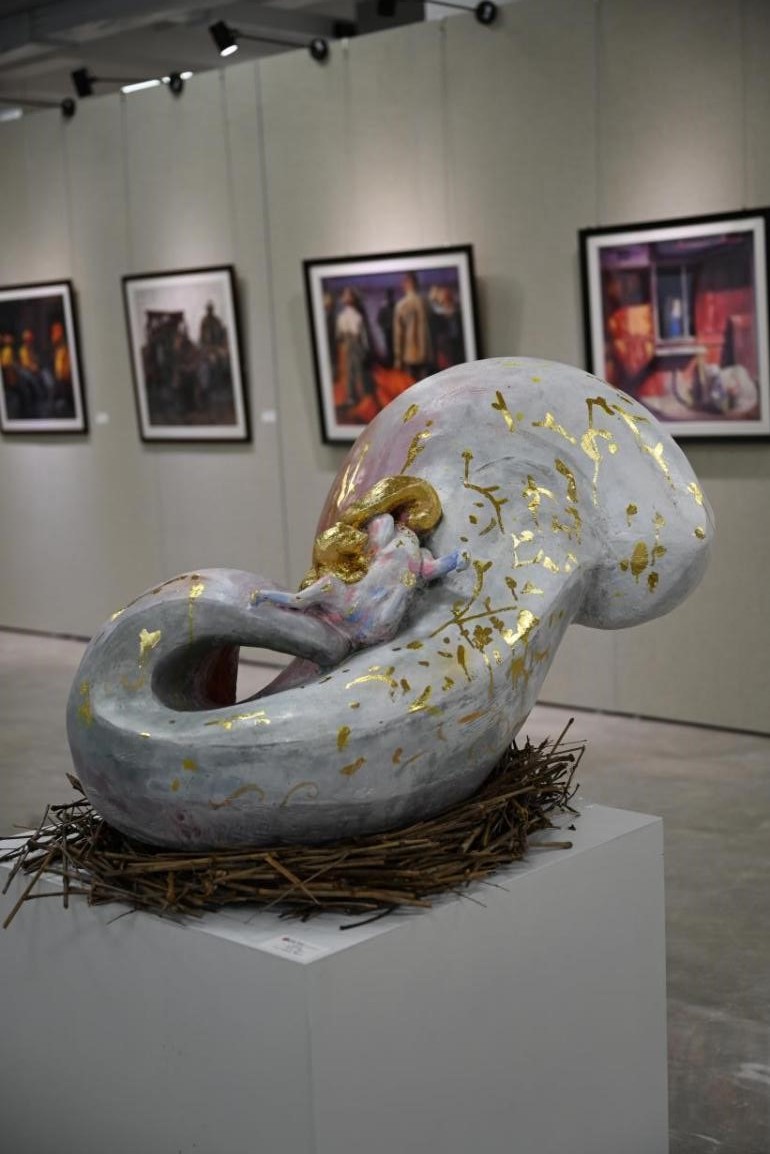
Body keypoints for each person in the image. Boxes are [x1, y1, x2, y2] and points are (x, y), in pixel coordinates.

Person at [393, 272, 433, 381]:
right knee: (426, 385)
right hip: (426, 353)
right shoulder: (426, 303)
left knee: (412, 386)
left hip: (409, 354)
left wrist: (398, 359)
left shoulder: (401, 305)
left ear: (406, 284)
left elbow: (398, 334)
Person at [335, 287, 370, 404]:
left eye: (349, 295)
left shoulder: (357, 316)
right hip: (347, 344)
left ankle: (361, 395)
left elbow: (363, 335)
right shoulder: (342, 316)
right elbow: (339, 334)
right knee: (349, 371)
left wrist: (365, 348)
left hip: (356, 344)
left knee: (358, 370)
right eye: (346, 295)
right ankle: (351, 396)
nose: (347, 298)